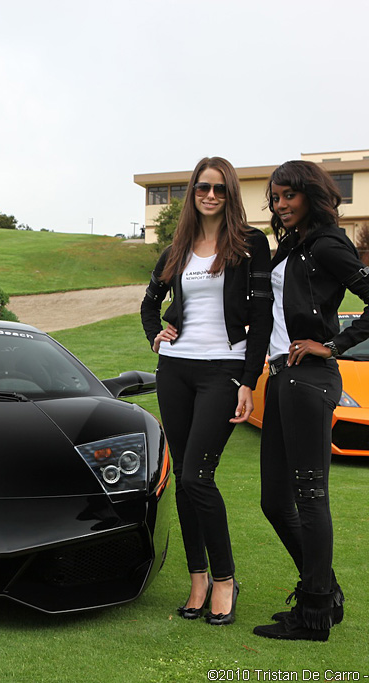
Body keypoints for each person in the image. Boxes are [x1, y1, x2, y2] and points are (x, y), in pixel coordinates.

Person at [253, 160, 369, 641]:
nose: (280, 205)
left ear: (310, 195)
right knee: (275, 500)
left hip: (308, 378)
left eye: (289, 196)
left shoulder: (326, 244)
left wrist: (332, 345)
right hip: (280, 377)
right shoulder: (291, 246)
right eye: (275, 198)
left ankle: (316, 613)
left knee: (309, 497)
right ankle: (324, 591)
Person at [141, 157, 272, 626]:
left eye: (218, 188)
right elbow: (149, 301)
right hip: (175, 371)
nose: (210, 195)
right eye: (202, 187)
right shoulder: (178, 247)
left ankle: (224, 579)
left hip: (224, 372)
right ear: (193, 192)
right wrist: (155, 332)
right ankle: (197, 579)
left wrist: (248, 381)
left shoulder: (251, 244)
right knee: (185, 480)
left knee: (198, 476)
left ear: (230, 192)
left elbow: (262, 320)